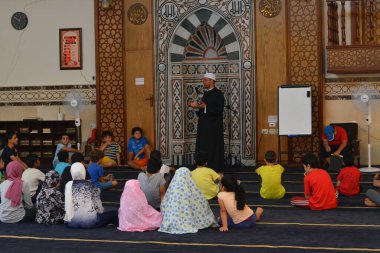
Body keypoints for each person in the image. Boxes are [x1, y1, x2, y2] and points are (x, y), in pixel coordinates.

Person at [158, 167, 217, 234]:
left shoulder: (172, 189)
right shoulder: (192, 189)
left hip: (171, 220)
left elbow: (164, 203)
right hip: (190, 219)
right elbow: (202, 204)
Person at [188, 72, 224, 172]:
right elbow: (202, 109)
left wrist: (203, 107)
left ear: (211, 81)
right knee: (203, 145)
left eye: (205, 80)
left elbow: (219, 111)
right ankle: (202, 166)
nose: (203, 82)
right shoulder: (206, 93)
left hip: (213, 127)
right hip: (204, 126)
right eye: (203, 80)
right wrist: (195, 107)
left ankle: (213, 167)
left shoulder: (218, 94)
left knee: (212, 147)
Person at [64, 162, 118, 228]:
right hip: (90, 223)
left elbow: (67, 205)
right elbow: (99, 209)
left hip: (70, 223)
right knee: (116, 213)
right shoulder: (90, 185)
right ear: (84, 172)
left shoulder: (67, 185)